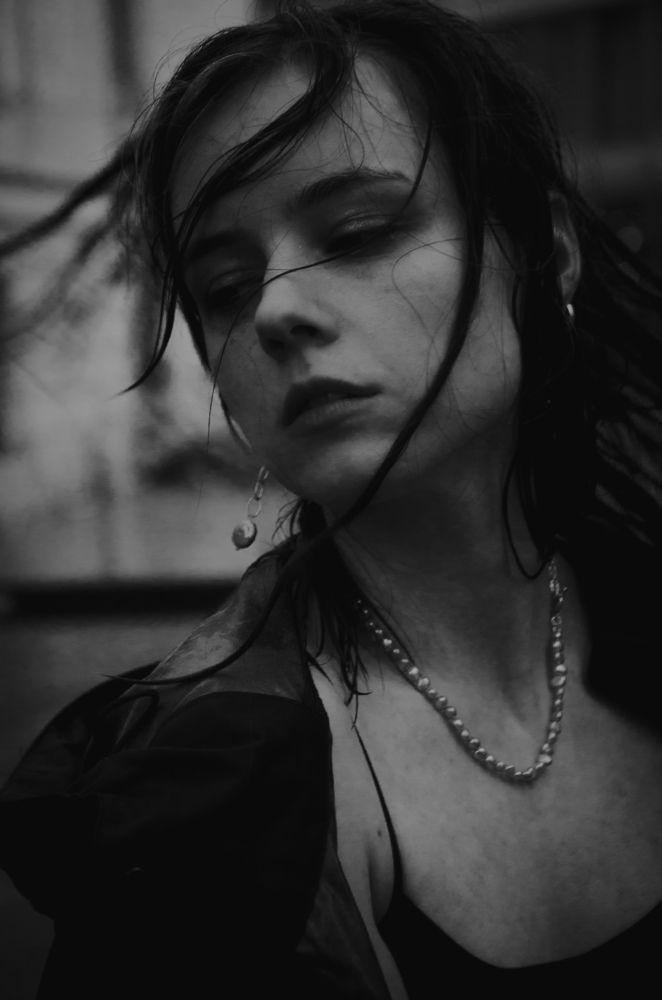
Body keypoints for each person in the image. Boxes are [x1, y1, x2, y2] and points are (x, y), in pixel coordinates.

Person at [1, 1, 662, 997]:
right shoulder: (208, 805)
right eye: (225, 287)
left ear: (544, 251)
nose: (274, 309)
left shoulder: (642, 602)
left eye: (358, 232)